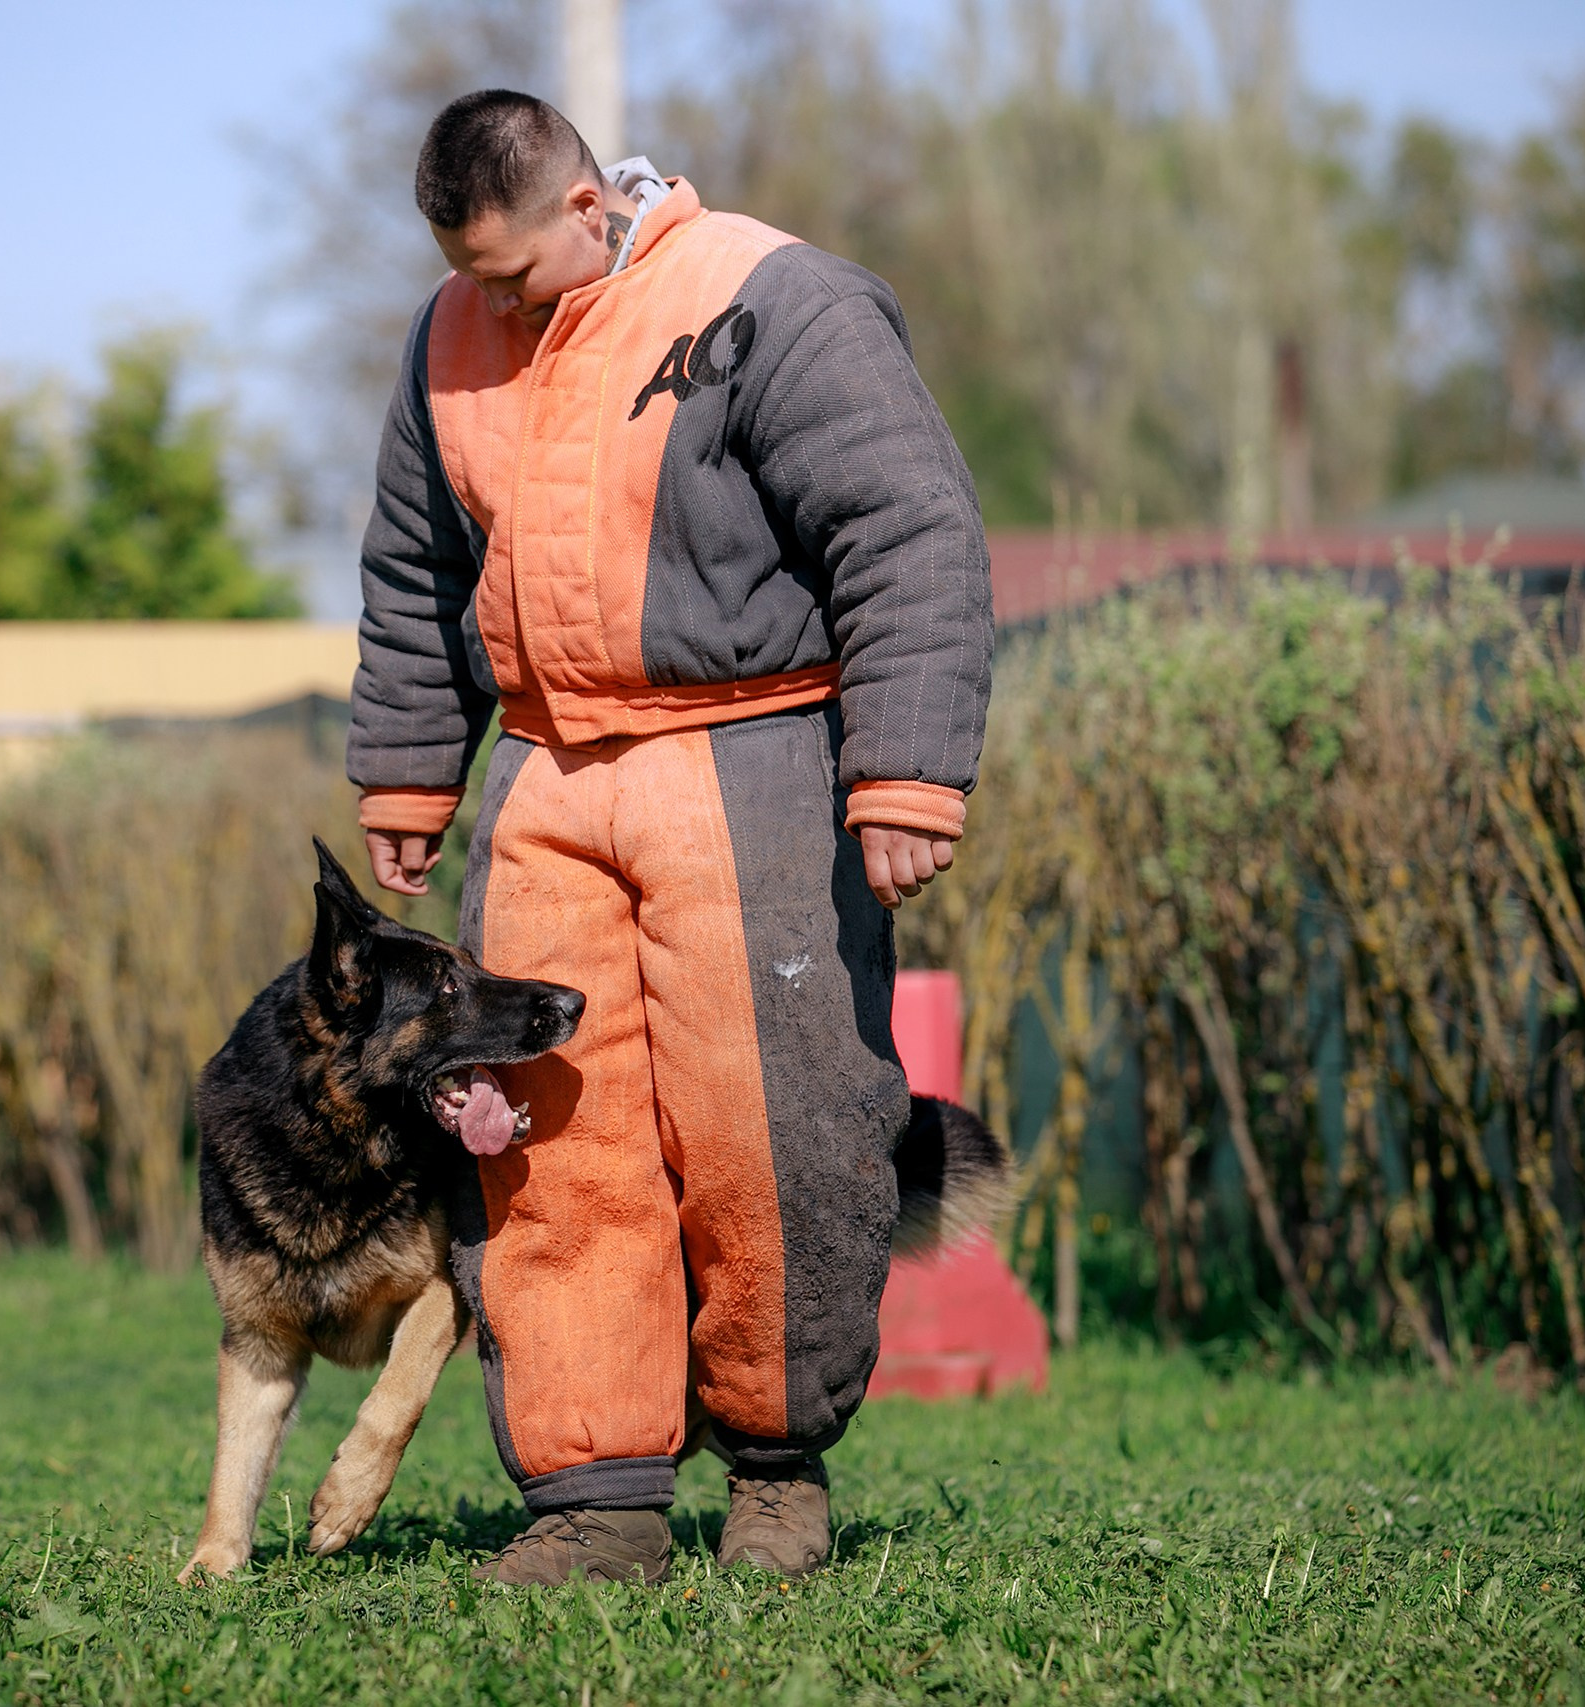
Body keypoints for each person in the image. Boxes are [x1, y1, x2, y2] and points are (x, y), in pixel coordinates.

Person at [349, 89, 991, 1585]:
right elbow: (411, 566)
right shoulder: (445, 338)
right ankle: (596, 1498)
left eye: (508, 274)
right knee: (544, 1149)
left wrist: (903, 775)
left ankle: (776, 1472)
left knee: (773, 1132)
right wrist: (406, 776)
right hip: (547, 776)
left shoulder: (773, 296)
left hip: (752, 755)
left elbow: (906, 531)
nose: (485, 301)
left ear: (587, 204)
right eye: (465, 273)